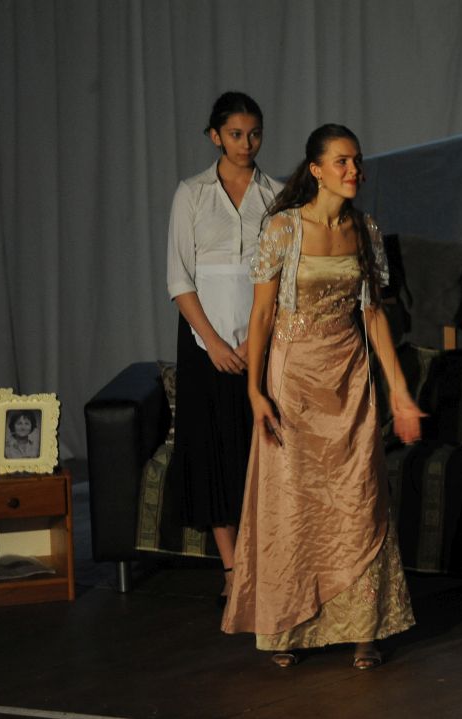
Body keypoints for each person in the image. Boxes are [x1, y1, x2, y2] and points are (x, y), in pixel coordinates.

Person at [221, 124, 421, 671]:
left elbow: (373, 315)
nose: (354, 171)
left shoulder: (365, 228)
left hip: (349, 378)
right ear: (315, 170)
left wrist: (401, 394)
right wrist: (254, 391)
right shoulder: (284, 229)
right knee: (294, 502)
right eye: (341, 162)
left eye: (357, 161)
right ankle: (287, 623)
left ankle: (362, 628)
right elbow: (262, 315)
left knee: (358, 500)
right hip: (294, 382)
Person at [165, 92, 283, 605]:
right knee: (213, 449)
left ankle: (265, 563)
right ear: (215, 136)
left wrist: (256, 340)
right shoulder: (191, 194)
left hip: (260, 340)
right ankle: (233, 571)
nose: (246, 143)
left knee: (258, 448)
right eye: (235, 134)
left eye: (254, 133)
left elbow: (279, 274)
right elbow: (179, 277)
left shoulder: (276, 195)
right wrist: (212, 342)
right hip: (204, 344)